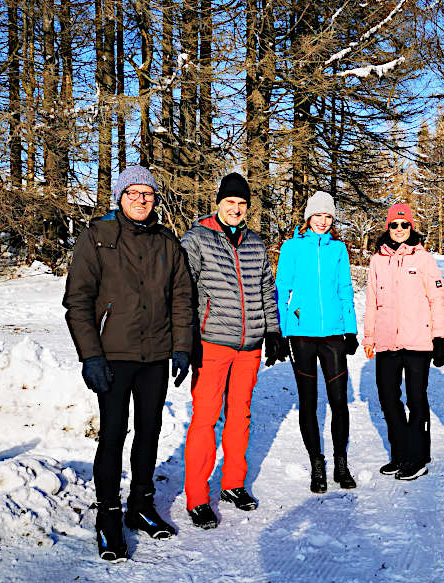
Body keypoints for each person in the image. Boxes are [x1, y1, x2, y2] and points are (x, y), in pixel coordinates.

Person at [64, 165, 193, 562]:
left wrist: (182, 347)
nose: (141, 200)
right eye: (133, 193)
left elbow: (182, 297)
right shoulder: (97, 237)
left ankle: (140, 503)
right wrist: (91, 355)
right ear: (120, 197)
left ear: (155, 200)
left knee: (150, 430)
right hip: (113, 355)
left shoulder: (166, 242)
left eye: (148, 194)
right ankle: (108, 514)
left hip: (155, 355)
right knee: (113, 433)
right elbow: (78, 301)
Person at [179, 172, 286, 530]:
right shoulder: (197, 238)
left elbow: (266, 288)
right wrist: (187, 336)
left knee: (240, 415)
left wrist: (273, 331)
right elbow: (184, 289)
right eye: (230, 202)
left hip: (249, 345)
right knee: (205, 418)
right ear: (218, 203)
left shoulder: (255, 243)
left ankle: (233, 483)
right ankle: (197, 497)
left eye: (242, 204)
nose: (236, 209)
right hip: (212, 342)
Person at [276, 191, 359, 494]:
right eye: (318, 215)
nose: (322, 221)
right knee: (308, 401)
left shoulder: (338, 249)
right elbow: (281, 289)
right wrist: (282, 331)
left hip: (333, 334)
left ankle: (341, 463)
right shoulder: (292, 247)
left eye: (328, 216)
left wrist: (350, 329)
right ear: (308, 217)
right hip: (301, 334)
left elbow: (345, 288)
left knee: (338, 401)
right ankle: (317, 464)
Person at [363, 203, 444, 481]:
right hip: (387, 341)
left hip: (417, 342)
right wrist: (369, 337)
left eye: (404, 224)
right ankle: (400, 454)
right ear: (388, 227)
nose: (399, 229)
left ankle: (418, 457)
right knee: (388, 399)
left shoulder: (423, 259)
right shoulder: (378, 260)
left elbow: (437, 299)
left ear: (411, 227)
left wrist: (439, 337)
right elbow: (371, 302)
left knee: (416, 399)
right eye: (394, 225)